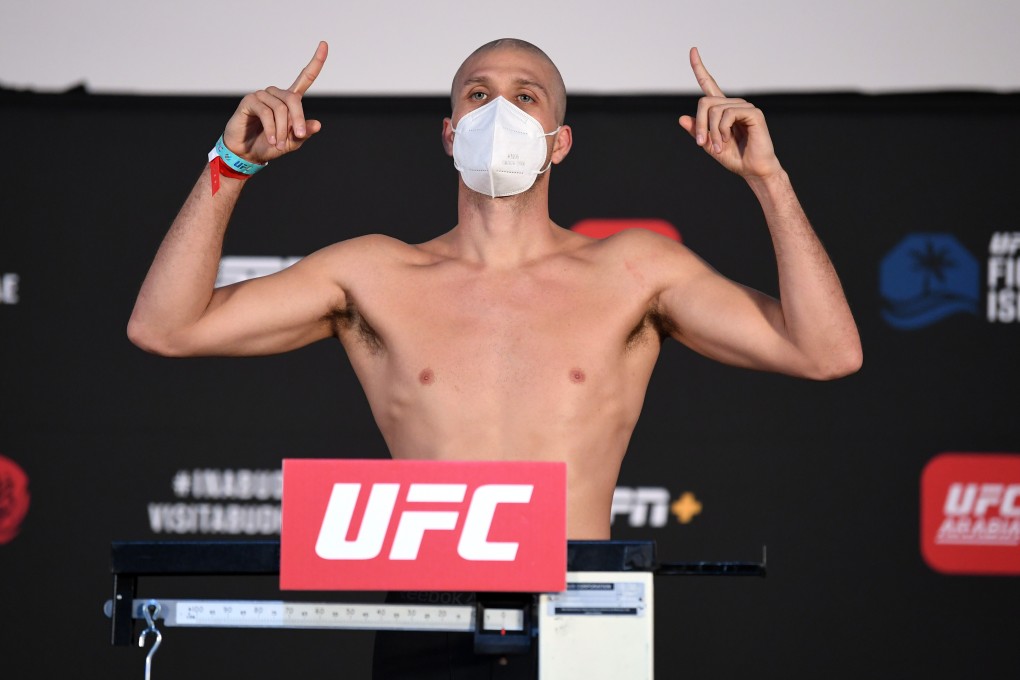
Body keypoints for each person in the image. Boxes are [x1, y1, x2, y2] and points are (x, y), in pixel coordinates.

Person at [128, 38, 862, 543]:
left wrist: (770, 181)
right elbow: (166, 327)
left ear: (559, 140)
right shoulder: (373, 275)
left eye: (525, 96)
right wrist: (230, 165)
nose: (499, 112)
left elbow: (826, 352)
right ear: (450, 134)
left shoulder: (636, 272)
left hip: (585, 607)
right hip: (425, 610)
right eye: (478, 96)